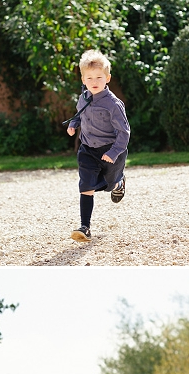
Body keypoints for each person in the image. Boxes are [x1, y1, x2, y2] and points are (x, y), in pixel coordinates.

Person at [66, 49, 130, 243]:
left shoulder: (113, 104)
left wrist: (114, 152)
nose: (94, 82)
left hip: (111, 151)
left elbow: (124, 132)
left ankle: (119, 182)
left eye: (99, 77)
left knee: (109, 184)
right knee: (86, 184)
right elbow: (79, 114)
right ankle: (85, 227)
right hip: (88, 150)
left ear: (108, 78)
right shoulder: (83, 98)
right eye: (90, 77)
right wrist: (73, 124)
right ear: (83, 79)